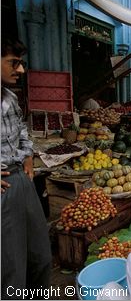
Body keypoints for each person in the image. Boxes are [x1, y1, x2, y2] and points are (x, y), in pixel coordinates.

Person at [1, 38, 52, 299]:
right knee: (11, 266)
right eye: (13, 63)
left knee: (40, 256)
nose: (20, 70)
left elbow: (21, 129)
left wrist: (28, 153)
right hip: (4, 187)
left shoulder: (9, 97)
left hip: (21, 178)